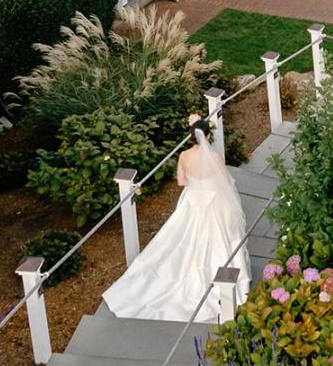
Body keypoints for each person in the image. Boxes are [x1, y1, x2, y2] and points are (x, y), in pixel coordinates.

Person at [102, 115, 249, 321]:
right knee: (220, 239)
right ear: (208, 135)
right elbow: (225, 180)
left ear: (191, 137)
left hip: (192, 200)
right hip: (214, 201)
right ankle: (224, 284)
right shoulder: (215, 158)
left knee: (181, 238)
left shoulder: (184, 156)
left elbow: (181, 182)